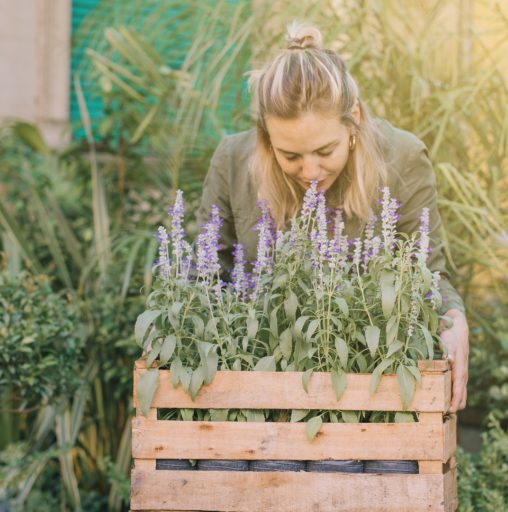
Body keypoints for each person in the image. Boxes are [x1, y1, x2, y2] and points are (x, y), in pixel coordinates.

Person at [198, 23, 468, 413]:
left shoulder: (402, 159)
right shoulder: (233, 161)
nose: (310, 170)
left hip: (370, 392)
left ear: (353, 119)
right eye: (289, 155)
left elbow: (426, 273)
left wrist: (454, 318)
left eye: (325, 150)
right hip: (256, 394)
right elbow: (207, 275)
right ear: (265, 137)